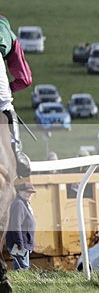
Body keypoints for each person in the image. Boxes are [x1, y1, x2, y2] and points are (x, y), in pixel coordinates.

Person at [0, 14, 34, 178]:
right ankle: (17, 154)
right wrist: (9, 88)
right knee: (4, 104)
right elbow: (25, 79)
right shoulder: (8, 34)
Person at [6, 181, 36, 270]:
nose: (30, 194)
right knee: (23, 268)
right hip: (20, 244)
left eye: (31, 192)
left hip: (23, 243)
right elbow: (16, 226)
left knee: (22, 268)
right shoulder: (19, 204)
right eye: (27, 192)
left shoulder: (23, 203)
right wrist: (20, 244)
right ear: (19, 192)